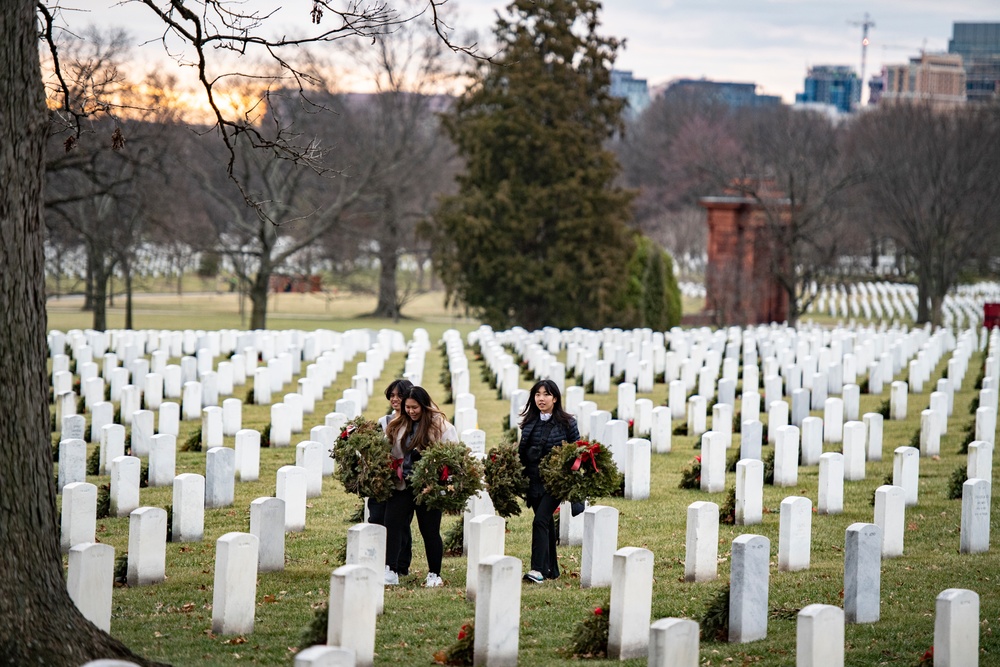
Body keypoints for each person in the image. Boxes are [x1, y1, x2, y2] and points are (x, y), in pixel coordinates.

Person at [384, 385, 458, 587]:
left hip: (427, 487)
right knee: (392, 524)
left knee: (430, 530)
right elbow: (388, 449)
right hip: (403, 485)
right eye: (407, 407)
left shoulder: (441, 426)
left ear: (424, 405)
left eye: (414, 407)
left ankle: (434, 573)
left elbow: (453, 454)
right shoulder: (398, 424)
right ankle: (390, 569)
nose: (411, 411)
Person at [518, 379, 579, 583]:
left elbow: (576, 453)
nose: (541, 398)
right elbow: (523, 453)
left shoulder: (568, 423)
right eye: (537, 394)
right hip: (534, 482)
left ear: (555, 397)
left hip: (555, 483)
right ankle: (551, 569)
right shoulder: (528, 423)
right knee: (545, 524)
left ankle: (537, 569)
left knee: (540, 521)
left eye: (546, 394)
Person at [368, 378, 413, 575]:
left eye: (399, 396)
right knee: (377, 517)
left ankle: (401, 565)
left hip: (405, 479)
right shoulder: (383, 422)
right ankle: (379, 558)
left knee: (400, 523)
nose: (395, 399)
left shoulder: (414, 423)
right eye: (392, 395)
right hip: (384, 479)